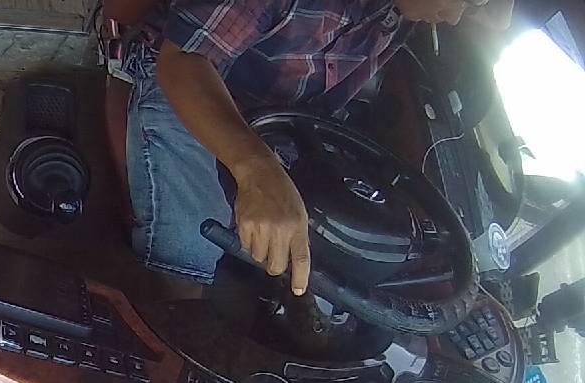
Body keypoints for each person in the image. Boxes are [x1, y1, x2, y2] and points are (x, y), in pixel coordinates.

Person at [112, 0, 513, 296]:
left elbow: (501, 22)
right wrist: (257, 170)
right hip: (187, 73)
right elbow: (184, 60)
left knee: (331, 246)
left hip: (278, 113)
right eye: (467, 1)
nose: (457, 18)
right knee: (188, 258)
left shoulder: (400, 12)